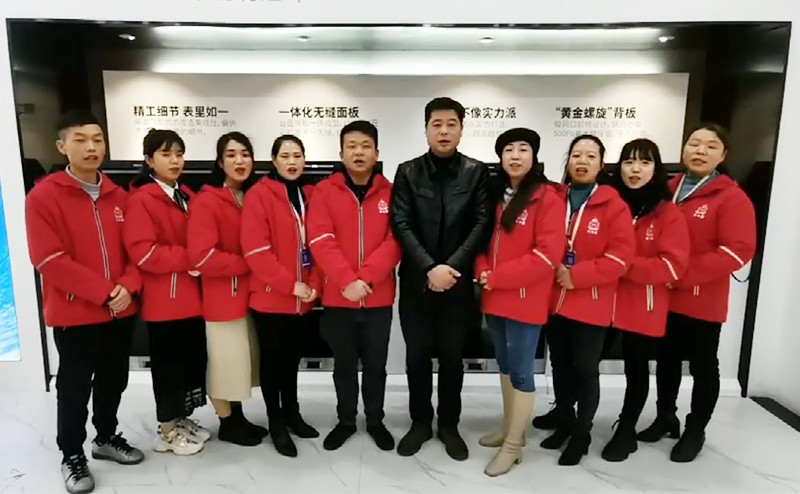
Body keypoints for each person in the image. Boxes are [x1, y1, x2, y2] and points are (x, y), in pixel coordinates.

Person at [25, 111, 144, 494]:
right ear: (62, 146)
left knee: (114, 379)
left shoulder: (119, 195)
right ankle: (72, 454)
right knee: (74, 387)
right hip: (76, 312)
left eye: (97, 139)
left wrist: (128, 285)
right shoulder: (44, 196)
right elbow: (48, 259)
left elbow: (136, 251)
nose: (91, 147)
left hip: (120, 310)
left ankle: (106, 437)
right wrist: (105, 292)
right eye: (80, 140)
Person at [638, 123, 756, 463]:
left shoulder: (730, 197)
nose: (700, 151)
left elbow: (737, 250)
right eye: (694, 143)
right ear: (683, 149)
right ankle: (665, 416)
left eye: (710, 146)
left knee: (703, 365)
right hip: (663, 295)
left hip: (702, 297)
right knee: (666, 360)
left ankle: (696, 429)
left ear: (723, 155)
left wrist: (681, 275)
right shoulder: (666, 189)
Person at [390, 97, 492, 461]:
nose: (444, 131)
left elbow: (482, 223)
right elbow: (400, 222)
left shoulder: (476, 172)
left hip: (458, 285)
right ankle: (420, 422)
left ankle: (449, 425)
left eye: (451, 124)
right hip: (417, 283)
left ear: (462, 129)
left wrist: (450, 268)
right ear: (426, 129)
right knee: (416, 358)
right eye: (437, 124)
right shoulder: (407, 171)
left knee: (452, 359)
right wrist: (429, 268)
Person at [307, 120, 402, 452]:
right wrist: (348, 280)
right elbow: (320, 239)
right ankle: (346, 420)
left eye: (365, 146)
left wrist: (367, 278)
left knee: (376, 366)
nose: (359, 152)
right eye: (352, 146)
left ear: (377, 153)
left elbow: (396, 240)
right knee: (344, 366)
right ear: (341, 153)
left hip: (378, 297)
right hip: (339, 297)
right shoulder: (324, 191)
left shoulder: (392, 192)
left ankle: (375, 420)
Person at [475, 128, 564, 476]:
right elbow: (480, 241)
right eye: (508, 149)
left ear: (534, 155)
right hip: (494, 294)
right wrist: (482, 271)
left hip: (526, 298)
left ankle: (513, 447)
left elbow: (547, 255)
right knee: (505, 364)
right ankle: (511, 429)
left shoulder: (547, 197)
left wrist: (497, 277)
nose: (515, 155)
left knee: (523, 370)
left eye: (523, 149)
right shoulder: (495, 195)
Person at [541, 134, 636, 466]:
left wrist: (577, 275)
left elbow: (621, 258)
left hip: (591, 301)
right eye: (576, 155)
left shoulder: (614, 205)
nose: (582, 161)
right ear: (568, 161)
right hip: (554, 299)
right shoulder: (554, 199)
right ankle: (565, 421)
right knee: (559, 365)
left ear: (601, 164)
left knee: (585, 368)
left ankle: (582, 433)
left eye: (590, 156)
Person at [600, 139, 690, 462]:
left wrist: (623, 266)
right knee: (584, 362)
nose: (635, 169)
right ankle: (573, 417)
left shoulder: (667, 212)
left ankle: (626, 430)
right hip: (603, 300)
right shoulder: (609, 204)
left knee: (635, 369)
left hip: (643, 302)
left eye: (644, 162)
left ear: (656, 169)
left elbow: (672, 266)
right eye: (628, 162)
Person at [123, 129, 209, 456]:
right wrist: (192, 258)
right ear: (149, 160)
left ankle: (181, 419)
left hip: (191, 297)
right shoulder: (142, 199)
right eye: (166, 154)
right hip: (164, 300)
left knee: (188, 362)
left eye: (179, 154)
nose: (175, 161)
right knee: (168, 367)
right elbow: (144, 252)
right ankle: (167, 430)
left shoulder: (184, 194)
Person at [241, 134, 321, 458]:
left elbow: (318, 243)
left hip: (303, 299)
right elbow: (256, 250)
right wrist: (291, 285)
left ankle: (292, 413)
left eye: (297, 155)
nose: (292, 162)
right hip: (272, 298)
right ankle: (275, 421)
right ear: (273, 161)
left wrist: (313, 283)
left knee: (291, 360)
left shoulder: (308, 194)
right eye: (285, 156)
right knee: (273, 362)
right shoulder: (259, 195)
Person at [187, 132, 267, 447]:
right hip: (222, 297)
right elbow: (202, 256)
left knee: (240, 363)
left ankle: (238, 417)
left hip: (249, 295)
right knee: (224, 364)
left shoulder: (253, 197)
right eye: (231, 155)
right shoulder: (208, 201)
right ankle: (227, 422)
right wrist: (249, 263)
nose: (239, 161)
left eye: (245, 154)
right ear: (220, 163)